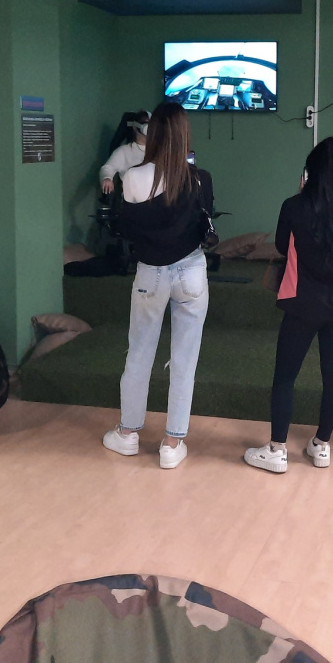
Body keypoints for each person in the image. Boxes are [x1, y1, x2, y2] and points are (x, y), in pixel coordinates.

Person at [103, 103, 212, 469]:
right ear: (184, 135)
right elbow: (204, 224)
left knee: (139, 352)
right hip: (191, 271)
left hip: (151, 272)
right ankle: (172, 442)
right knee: (185, 358)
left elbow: (128, 229)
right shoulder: (198, 178)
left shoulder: (132, 177)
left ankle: (128, 434)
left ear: (152, 136)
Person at [244, 138, 333, 473]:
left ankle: (277, 449)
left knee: (285, 375)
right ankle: (321, 445)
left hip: (302, 301)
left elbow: (283, 246)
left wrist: (301, 196)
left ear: (313, 171)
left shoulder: (294, 206)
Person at [99, 110, 150, 195]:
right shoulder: (124, 151)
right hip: (133, 198)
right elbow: (108, 167)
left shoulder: (159, 151)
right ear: (135, 127)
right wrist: (107, 178)